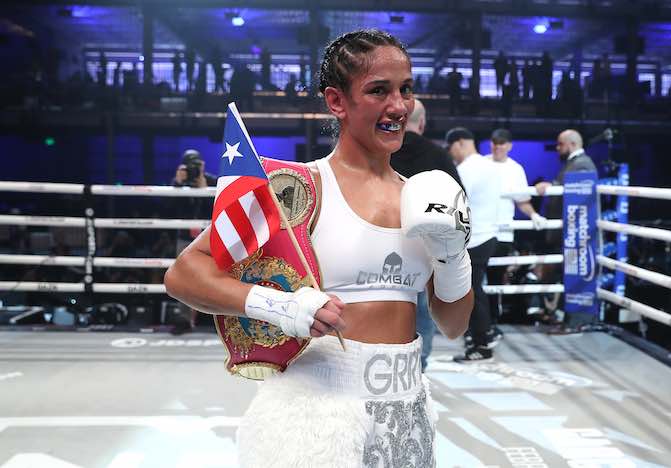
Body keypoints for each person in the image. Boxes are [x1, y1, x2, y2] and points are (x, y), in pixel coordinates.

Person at [164, 29, 474, 467]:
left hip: (406, 411)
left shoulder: (424, 200)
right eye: (379, 91)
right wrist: (282, 306)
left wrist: (453, 256)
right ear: (336, 102)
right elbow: (183, 273)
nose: (399, 106)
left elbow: (455, 324)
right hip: (314, 411)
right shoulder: (299, 188)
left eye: (406, 90)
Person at [390, 97, 463, 371]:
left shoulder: (378, 149)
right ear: (421, 122)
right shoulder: (438, 155)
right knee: (422, 308)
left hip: (378, 238)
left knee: (376, 298)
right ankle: (417, 365)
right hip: (425, 244)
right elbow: (459, 201)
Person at [445, 128, 502, 361]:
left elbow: (455, 202)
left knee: (472, 292)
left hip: (474, 238)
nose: (452, 155)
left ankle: (482, 343)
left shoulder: (467, 169)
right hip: (488, 234)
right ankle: (480, 335)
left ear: (459, 143)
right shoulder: (490, 165)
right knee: (474, 290)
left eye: (451, 150)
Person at [535, 129, 597, 333]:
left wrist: (551, 185)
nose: (558, 149)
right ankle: (567, 319)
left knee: (571, 275)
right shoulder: (574, 163)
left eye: (560, 145)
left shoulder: (582, 164)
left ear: (571, 144)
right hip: (568, 230)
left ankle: (574, 321)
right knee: (564, 275)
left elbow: (573, 191)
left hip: (574, 231)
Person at [486, 128, 546, 332]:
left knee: (495, 279)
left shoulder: (516, 169)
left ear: (509, 146)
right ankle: (472, 324)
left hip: (502, 233)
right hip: (476, 232)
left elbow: (523, 201)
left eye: (501, 143)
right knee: (471, 279)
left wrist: (534, 215)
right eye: (494, 142)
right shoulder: (480, 164)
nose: (497, 146)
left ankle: (491, 323)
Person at [170, 149, 216, 334]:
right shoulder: (178, 183)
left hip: (208, 236)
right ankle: (184, 319)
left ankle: (216, 318)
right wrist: (178, 185)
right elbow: (170, 210)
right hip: (185, 236)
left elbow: (217, 208)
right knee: (183, 277)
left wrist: (204, 188)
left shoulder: (212, 181)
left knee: (213, 275)